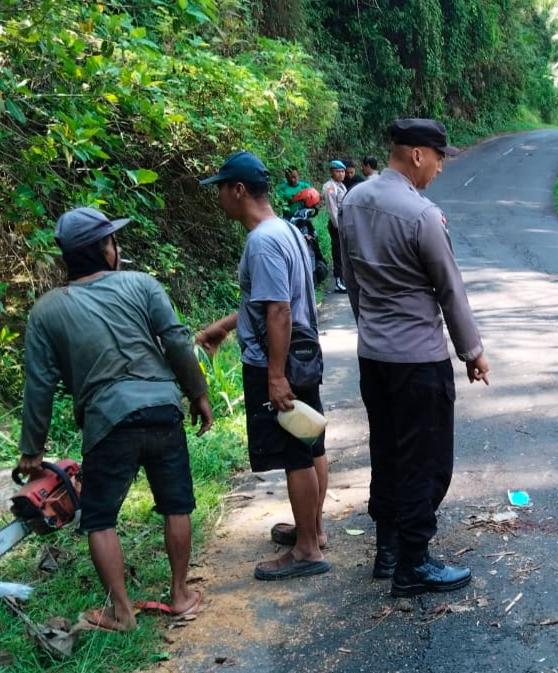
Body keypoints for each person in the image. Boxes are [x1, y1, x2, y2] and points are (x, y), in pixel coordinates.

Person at [16, 207, 212, 631]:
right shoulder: (142, 285)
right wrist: (199, 394)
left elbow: (39, 385)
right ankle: (180, 596)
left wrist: (32, 450)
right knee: (176, 504)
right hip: (162, 410)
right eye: (111, 240)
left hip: (107, 421)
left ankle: (123, 613)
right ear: (105, 248)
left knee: (100, 517)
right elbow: (177, 341)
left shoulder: (47, 311)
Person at [340, 118, 490, 598]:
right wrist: (472, 352)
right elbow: (450, 289)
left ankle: (386, 551)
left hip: (374, 356)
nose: (442, 168)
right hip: (418, 360)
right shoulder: (421, 215)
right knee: (424, 460)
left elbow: (351, 279)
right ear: (418, 154)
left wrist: (371, 328)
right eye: (440, 158)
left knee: (386, 450)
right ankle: (414, 563)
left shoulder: (353, 203)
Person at [197, 151, 330, 580]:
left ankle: (307, 550)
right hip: (301, 352)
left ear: (238, 190)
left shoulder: (262, 242)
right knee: (312, 444)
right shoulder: (286, 231)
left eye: (221, 188)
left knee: (296, 455)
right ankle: (314, 530)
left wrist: (274, 376)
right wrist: (225, 326)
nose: (219, 197)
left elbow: (279, 312)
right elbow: (270, 303)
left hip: (282, 359)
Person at [322, 160, 348, 293]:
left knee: (344, 252)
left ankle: (344, 279)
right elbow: (332, 210)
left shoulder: (341, 186)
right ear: (332, 172)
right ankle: (339, 281)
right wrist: (338, 227)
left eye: (343, 171)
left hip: (344, 223)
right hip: (336, 225)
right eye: (338, 171)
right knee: (338, 253)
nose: (341, 174)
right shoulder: (329, 187)